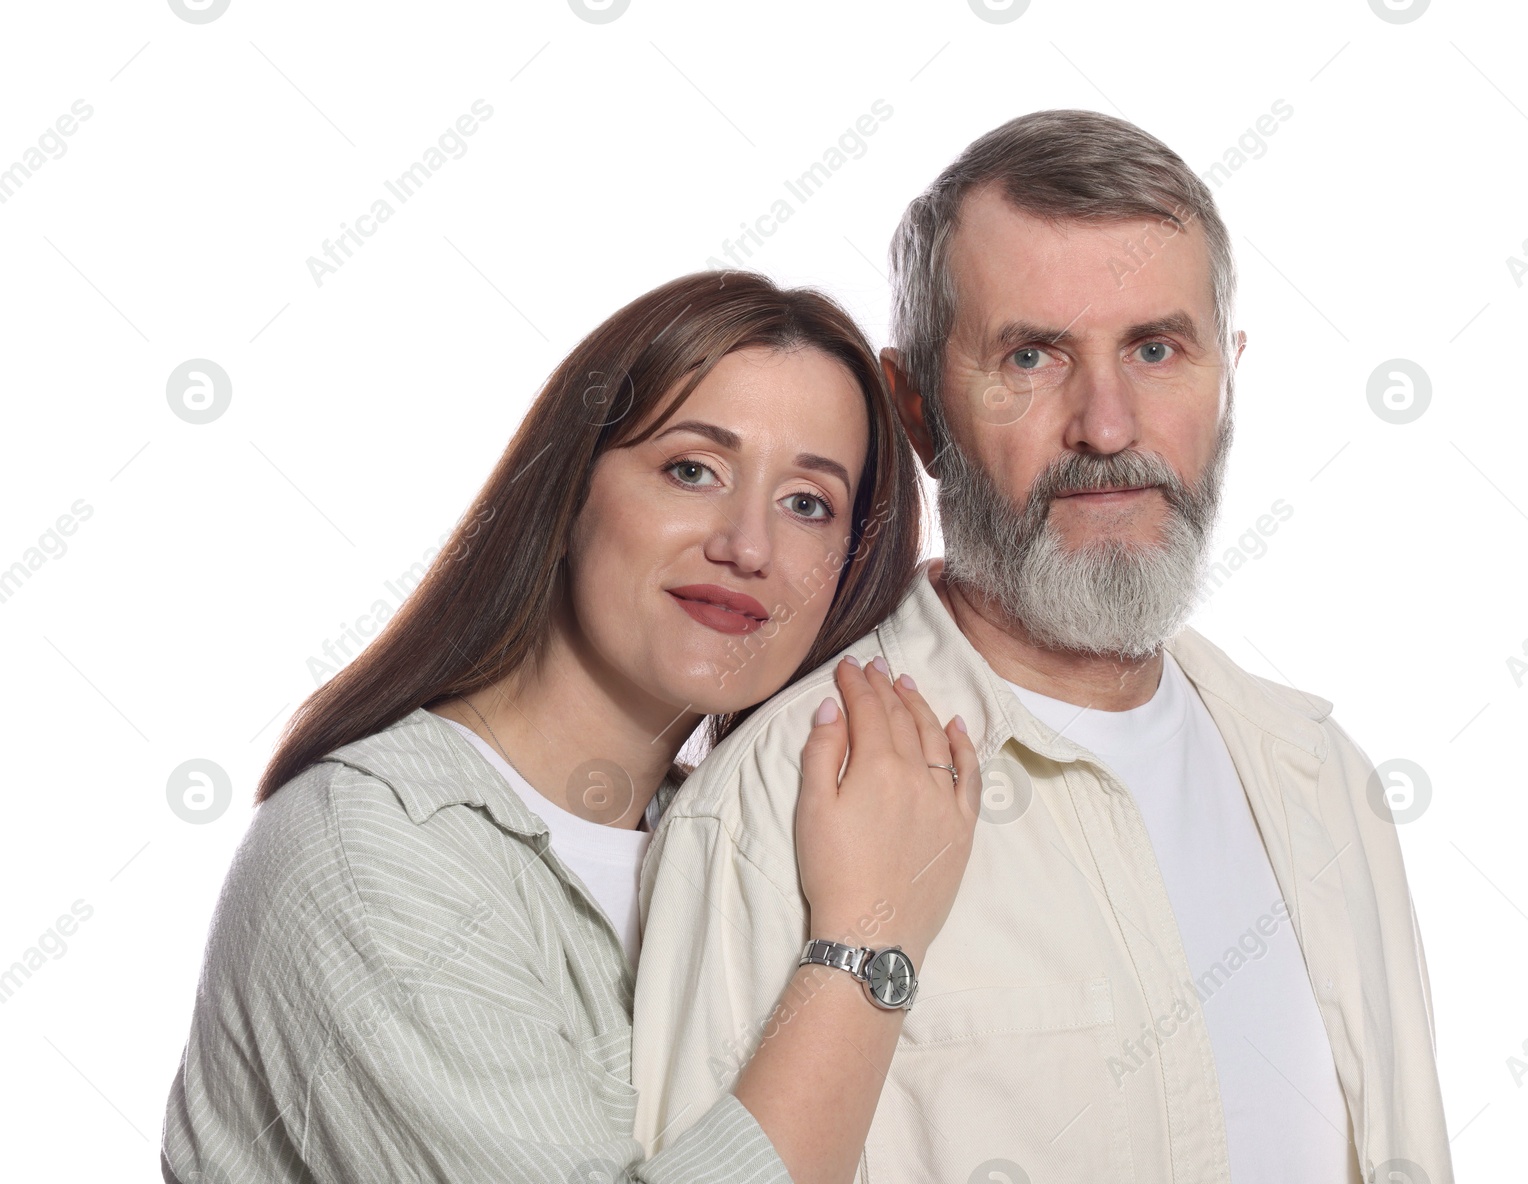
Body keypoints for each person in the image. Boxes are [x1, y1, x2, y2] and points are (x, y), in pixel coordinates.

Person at [632, 112, 1454, 1184]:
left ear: (1226, 374)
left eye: (1156, 349)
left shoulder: (1328, 783)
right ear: (917, 410)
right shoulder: (770, 803)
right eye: (1031, 356)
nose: (1106, 425)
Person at [159, 269, 982, 1184]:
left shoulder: (759, 833)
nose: (748, 546)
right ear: (568, 496)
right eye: (692, 470)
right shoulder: (370, 851)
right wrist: (870, 943)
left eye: (808, 504)